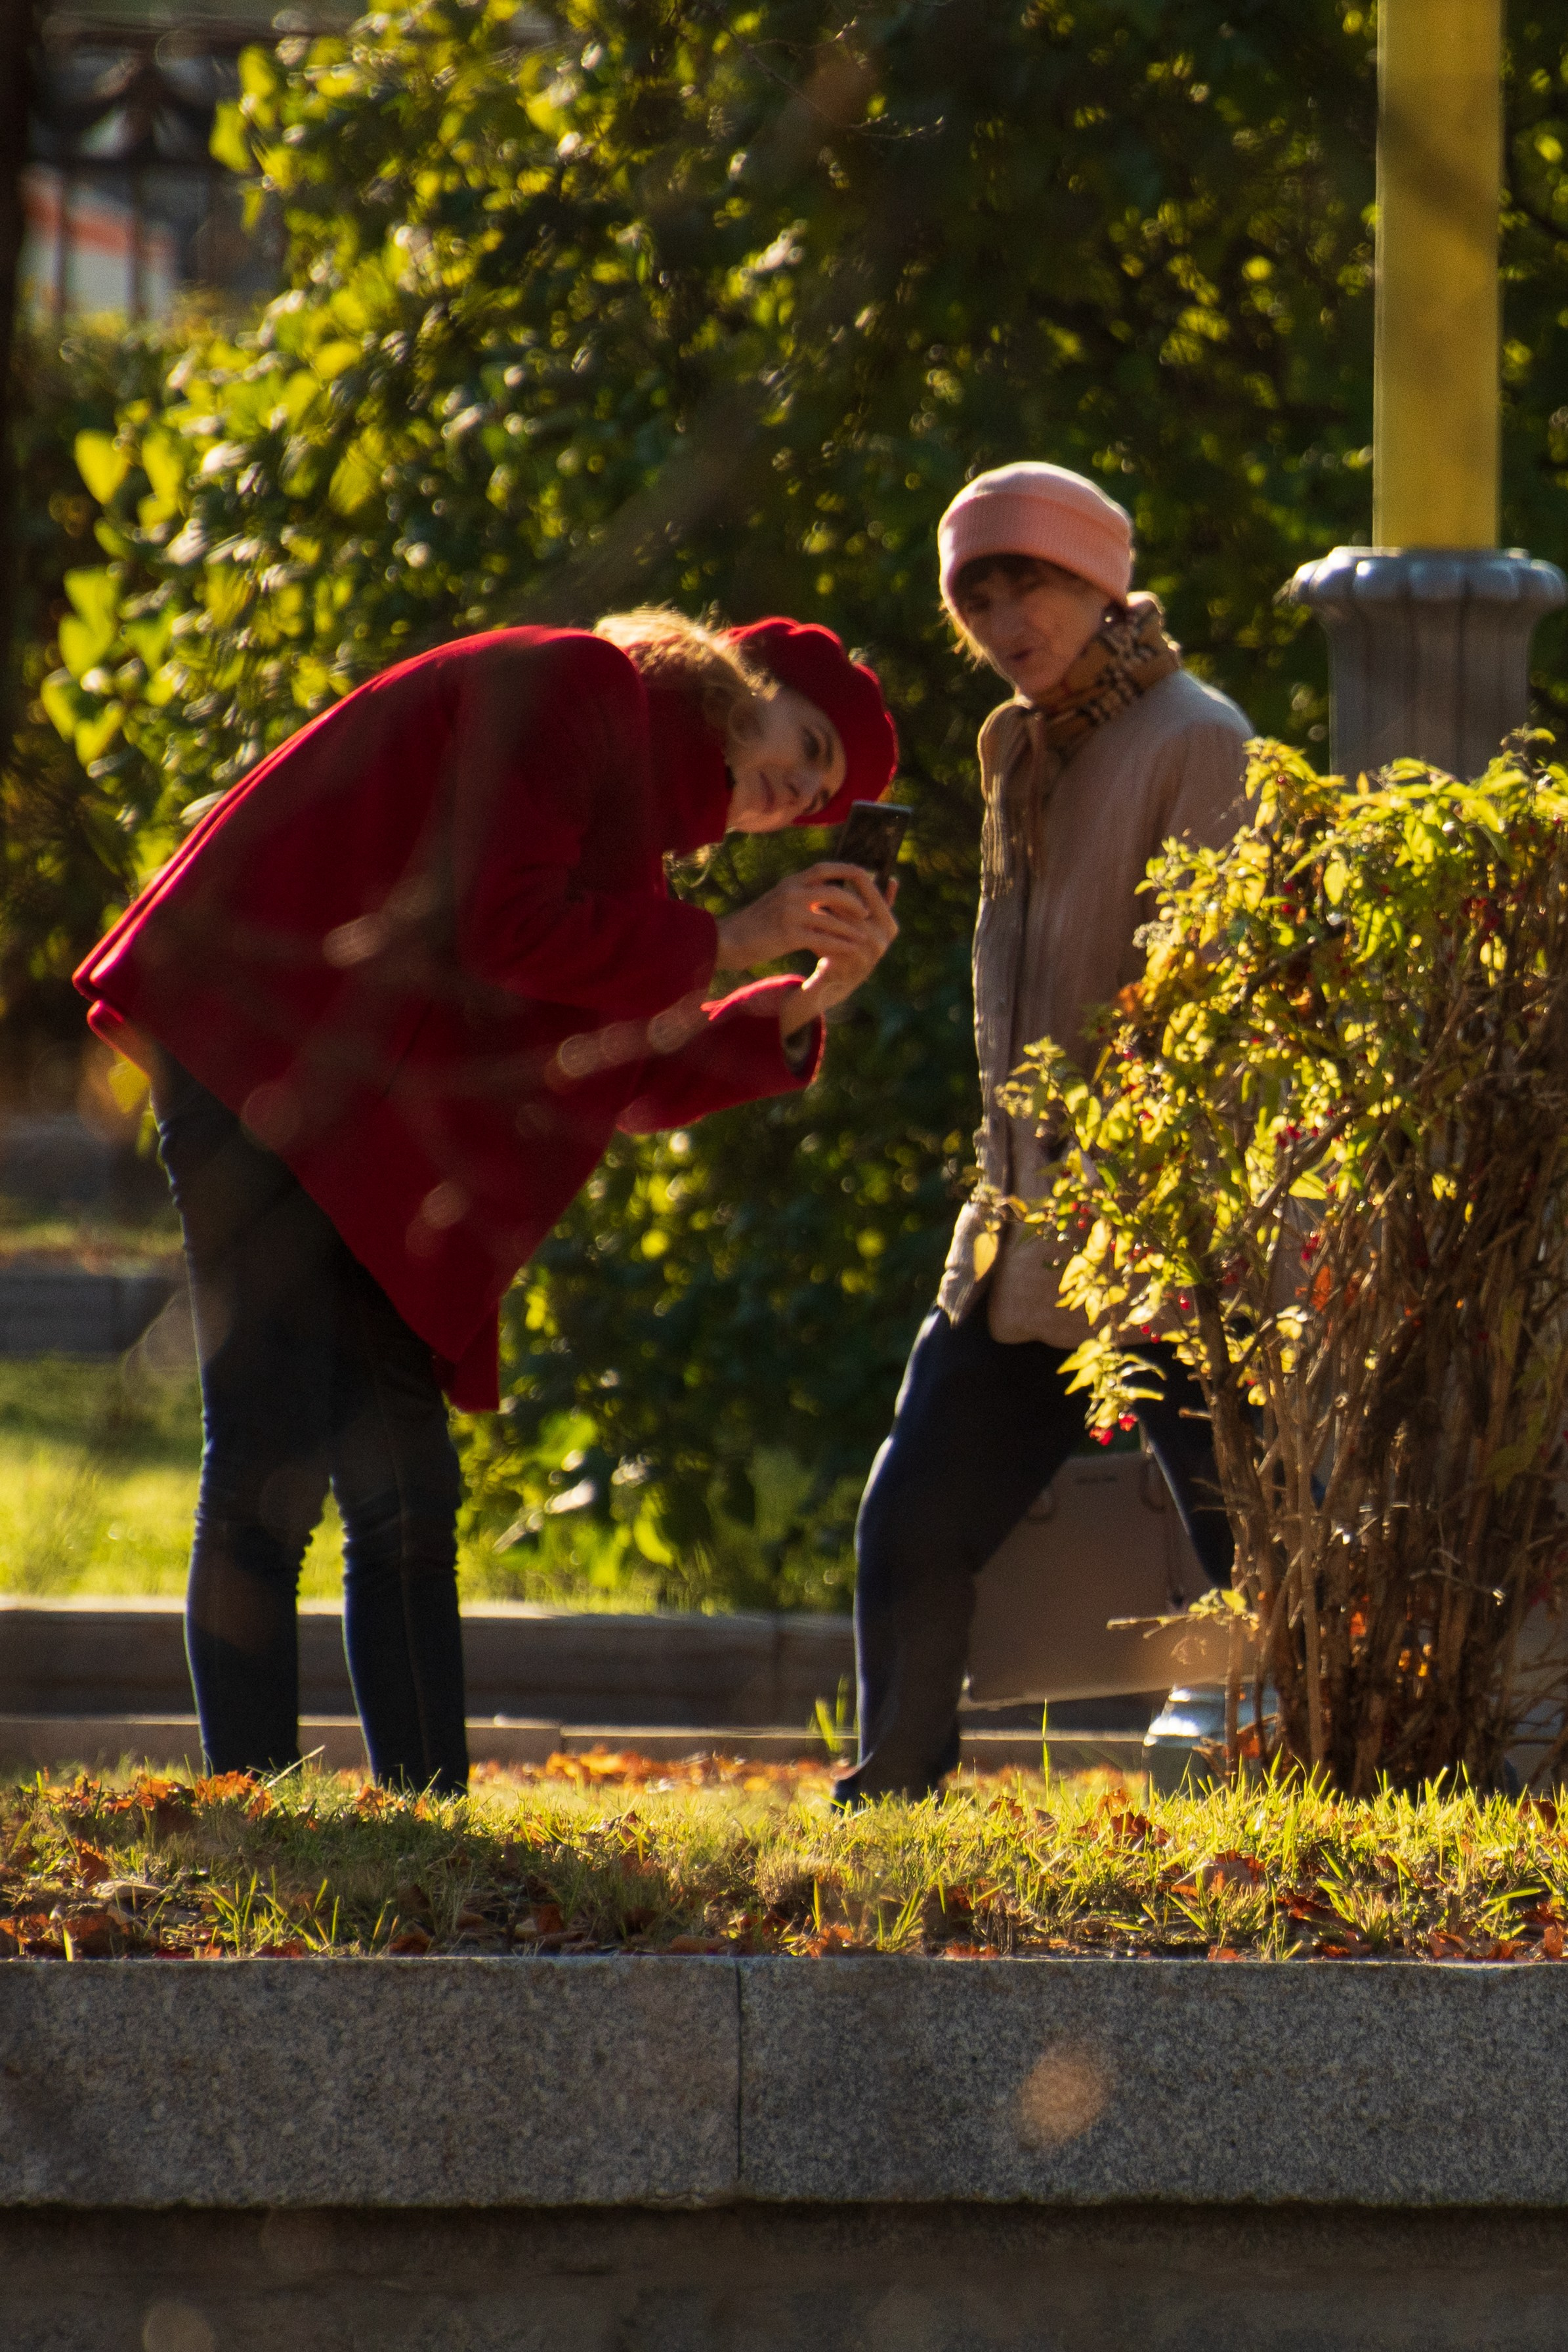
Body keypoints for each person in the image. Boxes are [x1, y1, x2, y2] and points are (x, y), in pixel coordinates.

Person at [75, 609, 899, 1793]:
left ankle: (426, 1810)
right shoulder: (585, 683)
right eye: (809, 745)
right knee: (273, 1442)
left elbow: (613, 1068)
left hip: (363, 1117)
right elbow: (508, 929)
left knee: (406, 1482)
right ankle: (243, 1805)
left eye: (818, 804)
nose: (796, 794)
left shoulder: (632, 851)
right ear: (745, 678)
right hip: (261, 1043)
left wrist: (797, 997)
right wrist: (724, 940)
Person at [835, 461, 1250, 1806]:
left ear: (1104, 582)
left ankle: (1341, 1789)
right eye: (979, 592)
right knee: (911, 1517)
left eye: (1036, 583)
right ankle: (893, 1788)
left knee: (1248, 1534)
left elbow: (1215, 993)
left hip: (1162, 1228)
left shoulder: (1195, 738)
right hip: (1019, 1227)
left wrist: (1162, 1197)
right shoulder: (1020, 749)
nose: (1008, 618)